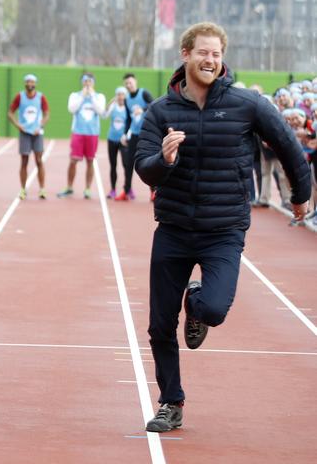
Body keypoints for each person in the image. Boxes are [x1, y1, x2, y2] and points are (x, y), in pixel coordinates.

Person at [134, 22, 311, 433]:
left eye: (216, 54)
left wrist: (300, 194)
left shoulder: (247, 105)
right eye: (203, 53)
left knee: (213, 308)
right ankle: (171, 402)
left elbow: (286, 143)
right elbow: (144, 168)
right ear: (185, 54)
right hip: (174, 229)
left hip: (223, 230)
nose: (210, 60)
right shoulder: (161, 111)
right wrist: (163, 159)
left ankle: (196, 302)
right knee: (160, 324)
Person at [57, 72, 106, 199]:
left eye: (89, 81)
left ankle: (88, 188)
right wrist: (83, 96)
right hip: (78, 132)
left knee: (90, 161)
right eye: (85, 81)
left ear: (93, 83)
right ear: (82, 82)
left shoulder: (99, 97)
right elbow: (71, 109)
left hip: (92, 133)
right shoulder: (75, 95)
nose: (87, 83)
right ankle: (69, 187)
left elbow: (101, 111)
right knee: (73, 160)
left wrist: (92, 95)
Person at [8, 74, 50, 200]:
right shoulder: (19, 96)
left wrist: (40, 126)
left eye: (32, 82)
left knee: (39, 160)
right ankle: (23, 189)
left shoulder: (41, 97)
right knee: (24, 161)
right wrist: (17, 125)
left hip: (37, 133)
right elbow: (10, 113)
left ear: (35, 84)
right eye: (28, 82)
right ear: (25, 83)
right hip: (25, 132)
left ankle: (42, 189)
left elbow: (47, 114)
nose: (30, 84)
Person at [119, 72, 154, 201]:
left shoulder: (144, 93)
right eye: (126, 83)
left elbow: (155, 106)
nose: (129, 85)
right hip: (134, 134)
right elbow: (128, 119)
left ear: (135, 82)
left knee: (149, 164)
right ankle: (126, 191)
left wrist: (143, 110)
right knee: (129, 164)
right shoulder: (127, 99)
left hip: (146, 134)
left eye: (130, 82)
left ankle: (153, 192)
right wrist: (124, 133)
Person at [103, 86, 130, 199]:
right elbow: (104, 116)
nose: (120, 97)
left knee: (126, 164)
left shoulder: (128, 108)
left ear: (125, 96)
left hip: (123, 141)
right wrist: (110, 102)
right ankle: (113, 189)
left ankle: (127, 189)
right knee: (113, 165)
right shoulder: (113, 107)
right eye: (118, 94)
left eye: (122, 94)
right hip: (112, 139)